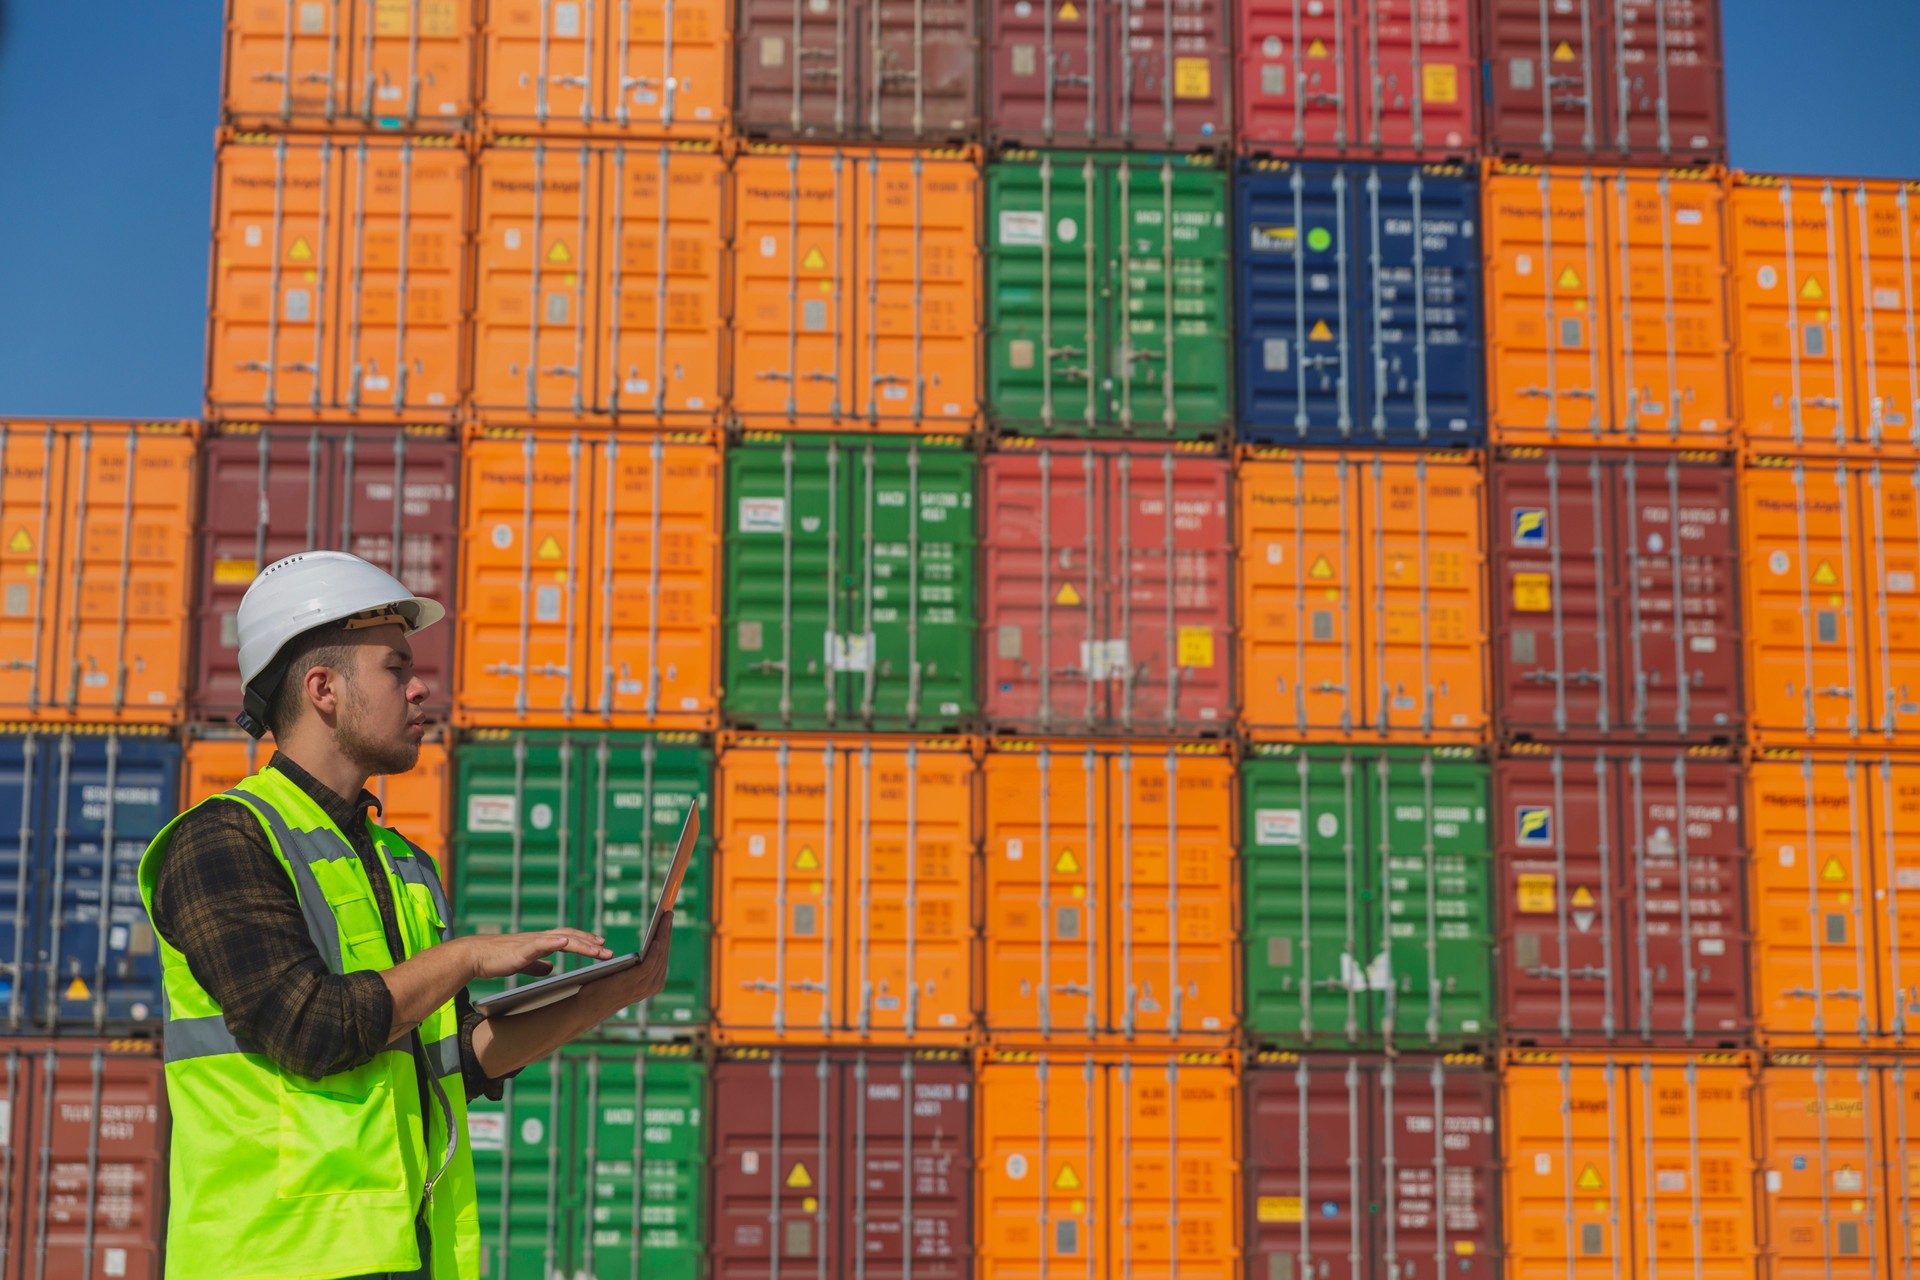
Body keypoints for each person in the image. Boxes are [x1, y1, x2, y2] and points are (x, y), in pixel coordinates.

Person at [137, 551, 673, 1280]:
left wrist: (614, 992)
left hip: (409, 1256)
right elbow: (308, 1028)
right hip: (273, 1262)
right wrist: (465, 956)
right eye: (395, 668)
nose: (422, 687)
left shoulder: (404, 865)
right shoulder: (220, 843)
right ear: (322, 688)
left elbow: (450, 1059)